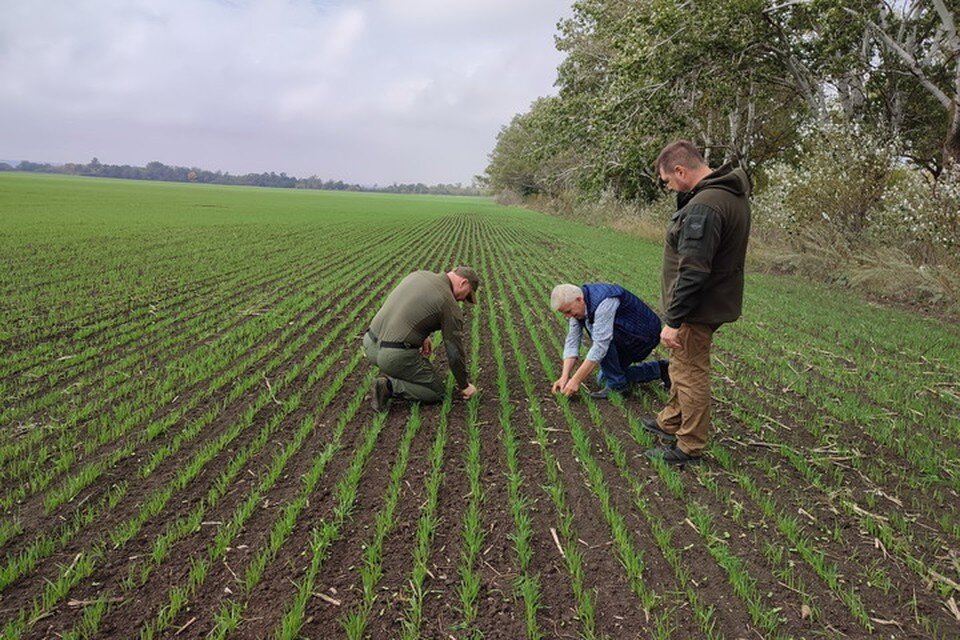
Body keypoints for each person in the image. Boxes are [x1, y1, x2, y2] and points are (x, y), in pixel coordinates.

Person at [643, 140, 751, 465]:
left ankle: (689, 445)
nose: (669, 186)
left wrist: (673, 321)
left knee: (690, 370)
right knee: (680, 366)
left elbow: (693, 270)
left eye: (668, 181)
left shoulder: (705, 205)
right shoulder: (728, 195)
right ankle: (671, 421)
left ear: (680, 170)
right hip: (709, 301)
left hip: (697, 308)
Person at [364, 266, 479, 411]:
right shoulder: (449, 304)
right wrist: (464, 385)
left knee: (401, 363)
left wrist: (421, 335)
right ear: (463, 283)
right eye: (467, 295)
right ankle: (388, 386)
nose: (462, 300)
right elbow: (454, 352)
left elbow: (407, 307)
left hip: (369, 343)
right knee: (436, 391)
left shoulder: (418, 275)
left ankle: (395, 373)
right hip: (393, 356)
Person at [550, 283, 669, 399]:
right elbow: (572, 341)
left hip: (643, 335)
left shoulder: (604, 302)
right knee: (604, 379)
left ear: (579, 299)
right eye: (564, 313)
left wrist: (576, 380)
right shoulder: (578, 309)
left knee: (603, 342)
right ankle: (661, 369)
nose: (568, 316)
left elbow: (600, 346)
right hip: (624, 334)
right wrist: (564, 377)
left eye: (568, 311)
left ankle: (618, 386)